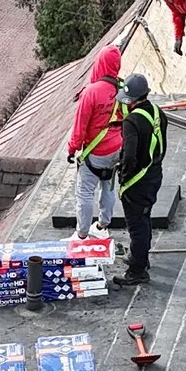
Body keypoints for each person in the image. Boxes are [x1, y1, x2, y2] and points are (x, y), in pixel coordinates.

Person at [64, 44, 126, 238]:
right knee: (108, 186)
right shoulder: (123, 88)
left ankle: (81, 234)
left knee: (85, 192)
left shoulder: (91, 92)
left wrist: (72, 149)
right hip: (118, 147)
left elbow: (80, 127)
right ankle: (102, 226)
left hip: (96, 152)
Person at [112, 75, 165, 288]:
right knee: (145, 218)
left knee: (137, 226)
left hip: (137, 181)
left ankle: (137, 271)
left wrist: (124, 176)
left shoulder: (132, 121)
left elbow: (130, 155)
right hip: (154, 174)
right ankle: (140, 258)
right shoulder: (157, 112)